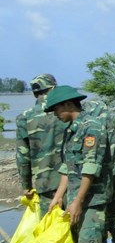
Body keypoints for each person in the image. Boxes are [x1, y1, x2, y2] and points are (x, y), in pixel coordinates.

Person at [44, 86, 113, 243]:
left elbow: (90, 168)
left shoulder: (91, 127)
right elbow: (67, 167)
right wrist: (59, 196)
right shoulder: (70, 130)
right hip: (75, 196)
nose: (54, 114)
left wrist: (79, 201)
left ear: (67, 105)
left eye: (55, 109)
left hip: (92, 197)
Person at [15, 73, 67, 218]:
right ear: (54, 88)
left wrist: (26, 185)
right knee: (74, 223)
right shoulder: (67, 111)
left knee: (48, 227)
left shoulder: (24, 117)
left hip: (45, 182)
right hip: (72, 178)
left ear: (35, 93)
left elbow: (22, 156)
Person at [84, 99, 115, 243]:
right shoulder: (107, 125)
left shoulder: (90, 127)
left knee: (99, 208)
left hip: (102, 172)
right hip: (114, 168)